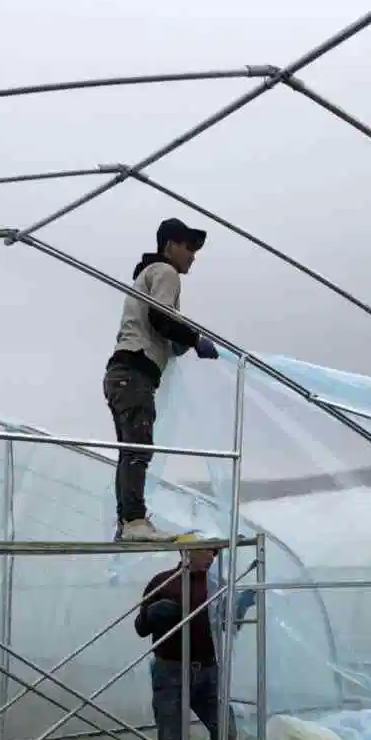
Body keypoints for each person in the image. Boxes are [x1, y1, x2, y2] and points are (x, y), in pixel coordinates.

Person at [103, 218, 221, 542]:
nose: (193, 255)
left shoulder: (147, 274)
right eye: (188, 246)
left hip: (123, 373)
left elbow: (158, 322)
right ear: (169, 245)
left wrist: (178, 342)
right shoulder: (165, 272)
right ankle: (134, 521)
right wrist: (195, 338)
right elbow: (160, 316)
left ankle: (128, 522)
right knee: (139, 447)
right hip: (134, 371)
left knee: (132, 449)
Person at [134, 545, 255, 740]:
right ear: (186, 552)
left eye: (215, 552)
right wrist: (153, 615)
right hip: (171, 671)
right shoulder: (163, 582)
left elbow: (229, 625)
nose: (212, 557)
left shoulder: (218, 585)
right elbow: (139, 628)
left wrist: (241, 605)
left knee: (226, 735)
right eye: (207, 551)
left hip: (208, 672)